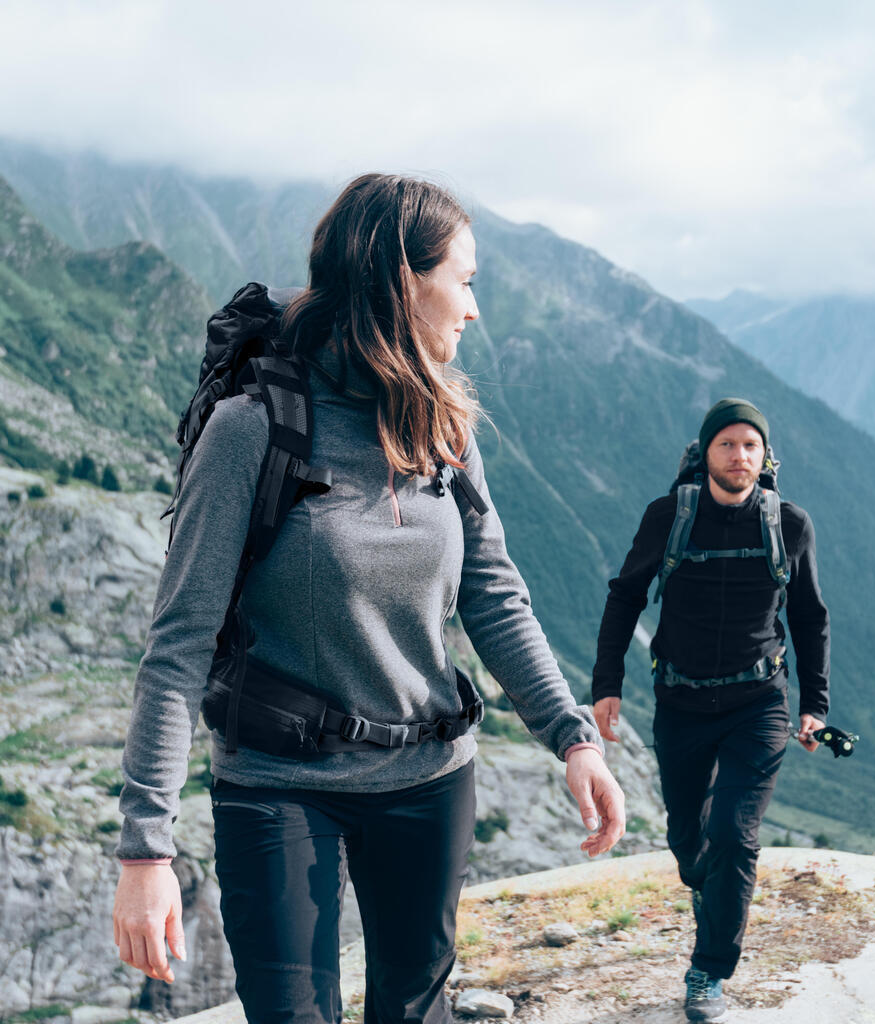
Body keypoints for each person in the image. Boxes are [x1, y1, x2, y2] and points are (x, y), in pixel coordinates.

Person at [112, 173, 625, 1024]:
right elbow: (179, 647)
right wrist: (145, 852)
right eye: (463, 280)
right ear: (401, 280)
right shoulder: (252, 430)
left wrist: (573, 738)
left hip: (427, 777)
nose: (473, 307)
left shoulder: (446, 427)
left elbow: (493, 594)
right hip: (278, 782)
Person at [591, 398, 829, 1023]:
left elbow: (808, 616)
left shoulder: (790, 524)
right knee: (689, 842)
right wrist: (606, 682)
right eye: (727, 444)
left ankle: (709, 969)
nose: (739, 455)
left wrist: (815, 704)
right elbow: (625, 597)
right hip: (682, 700)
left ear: (764, 456)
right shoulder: (670, 516)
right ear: (705, 454)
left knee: (734, 835)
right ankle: (710, 885)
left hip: (760, 703)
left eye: (751, 445)